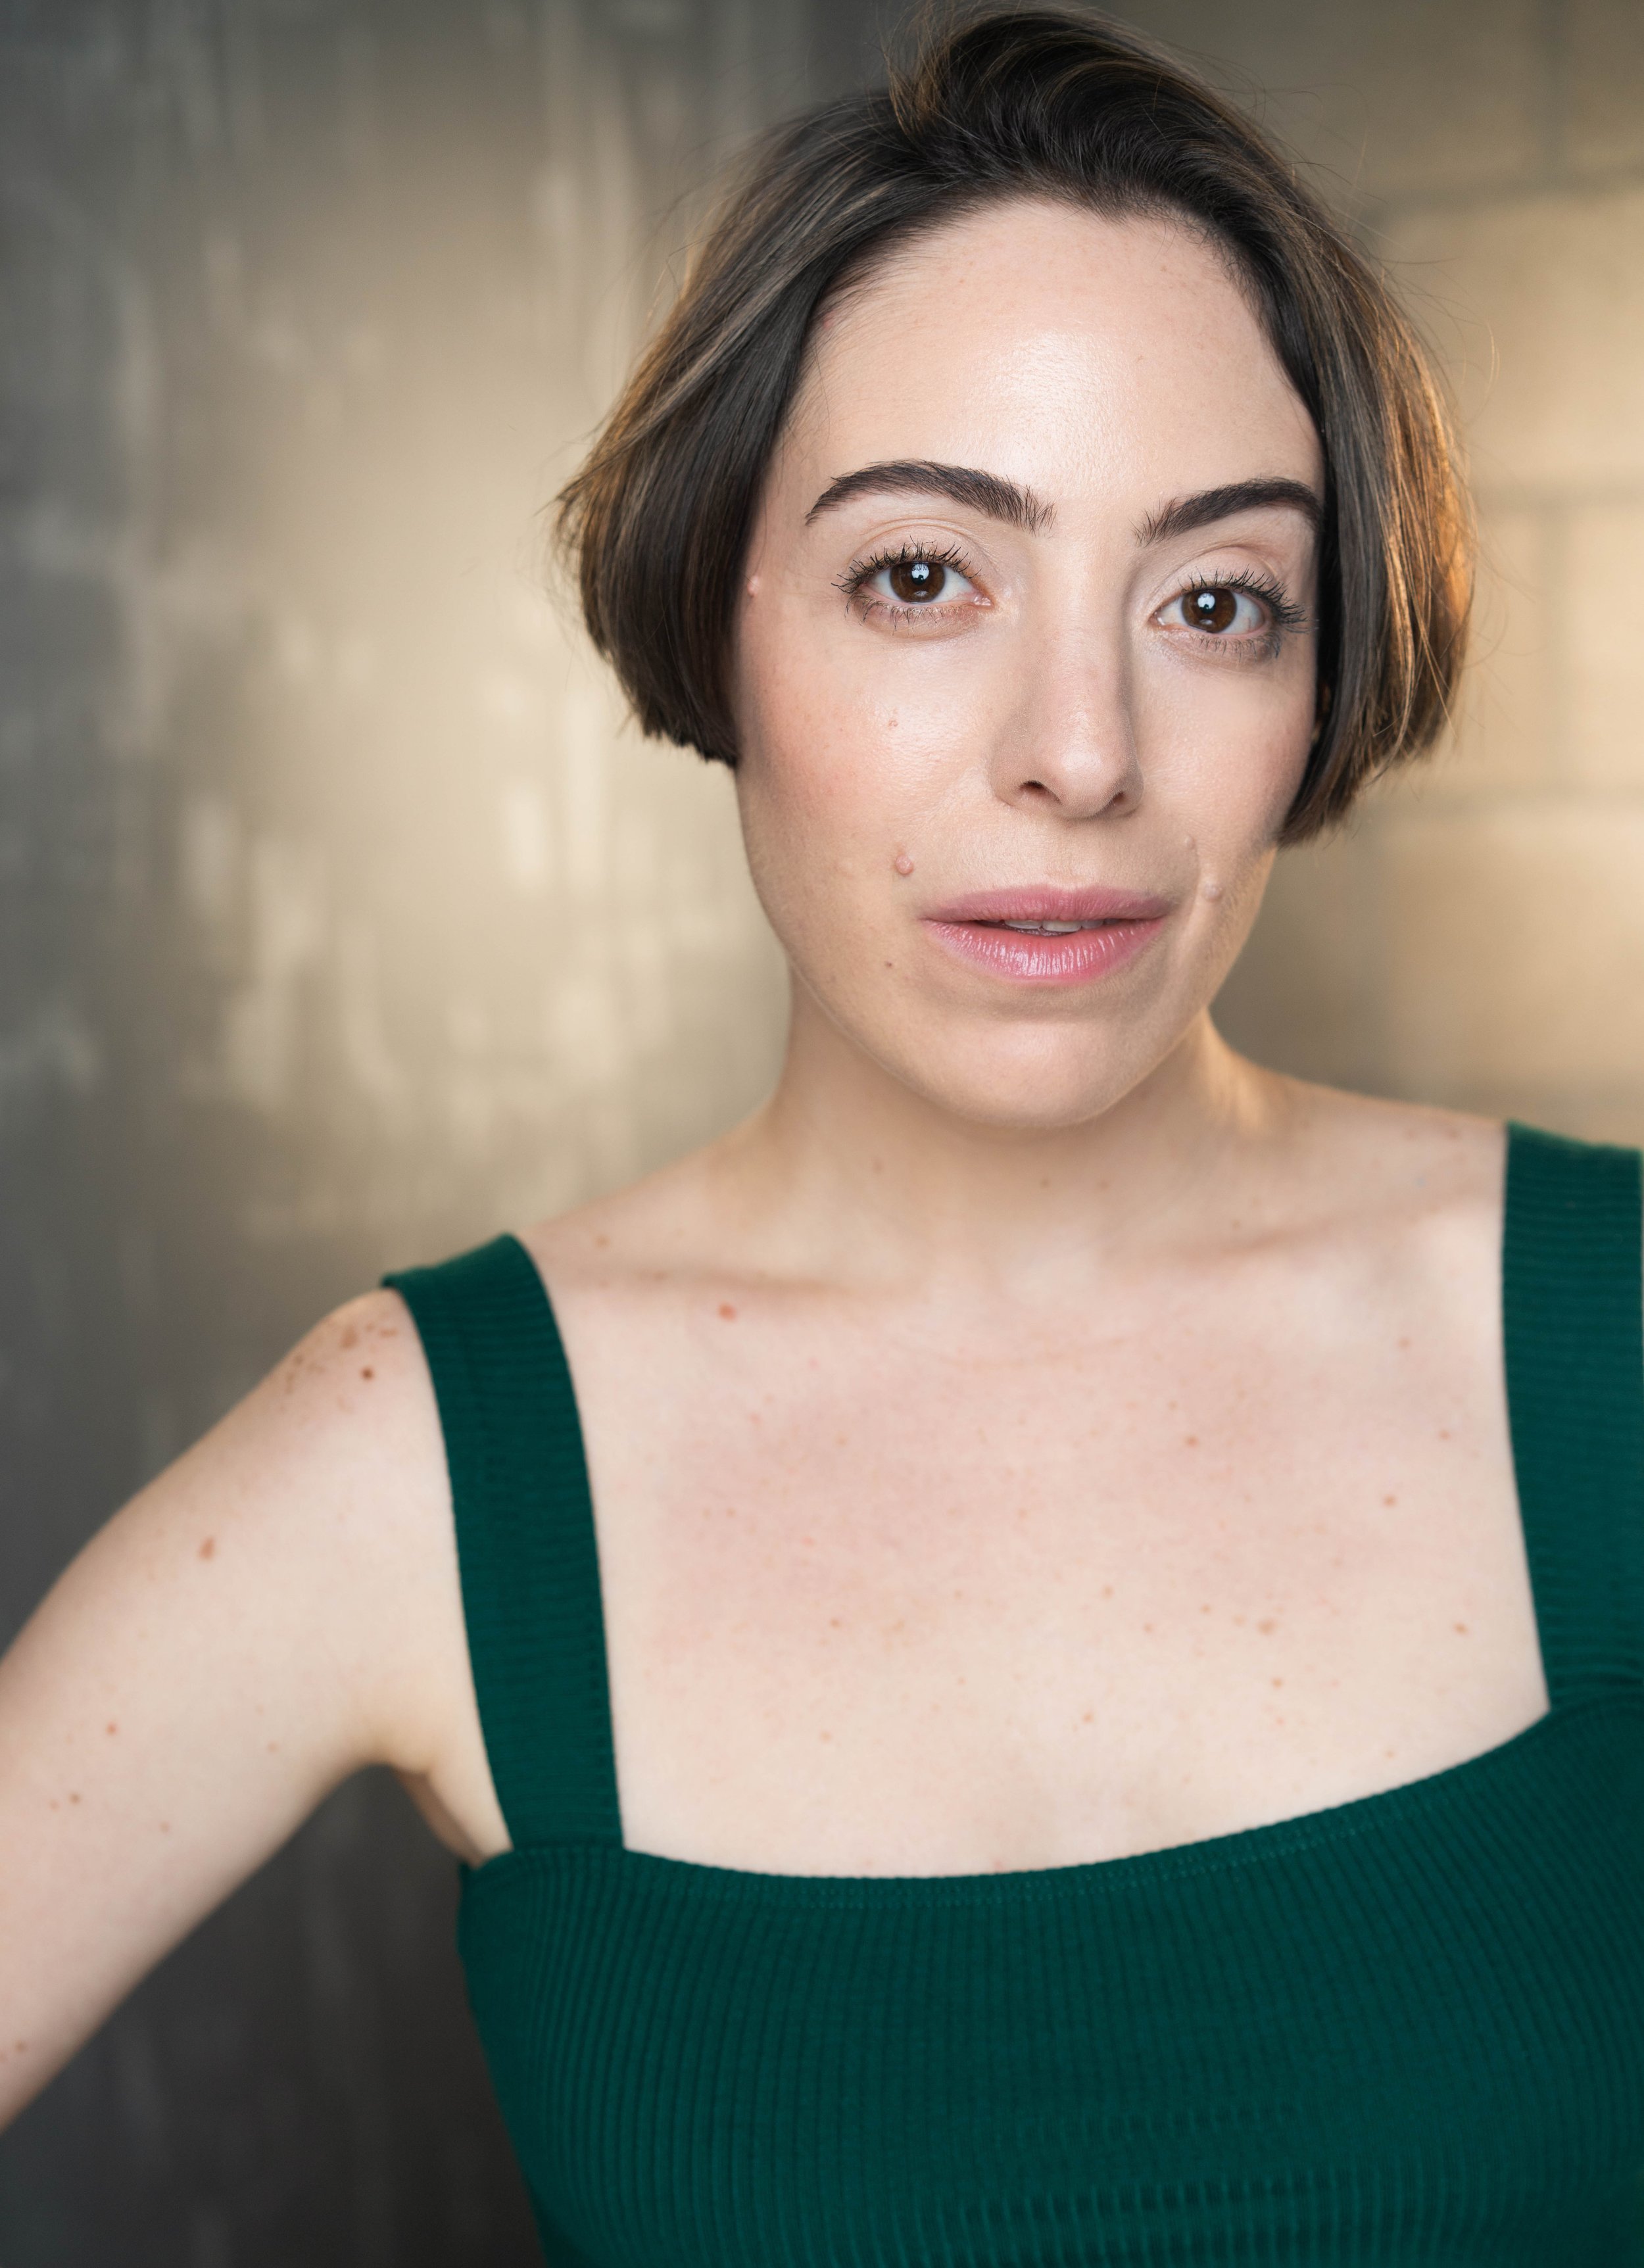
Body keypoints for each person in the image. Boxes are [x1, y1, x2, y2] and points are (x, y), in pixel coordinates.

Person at [5, 4, 1644, 2257]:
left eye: (1213, 601)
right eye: (919, 576)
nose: (1079, 750)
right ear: (719, 605)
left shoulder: (1611, 1334)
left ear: (1319, 674)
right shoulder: (430, 1461)